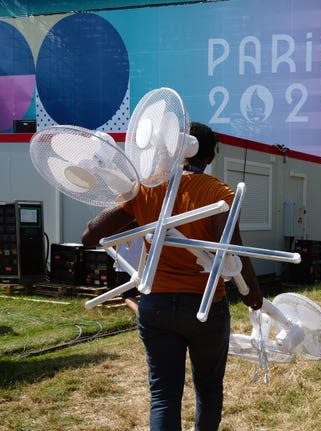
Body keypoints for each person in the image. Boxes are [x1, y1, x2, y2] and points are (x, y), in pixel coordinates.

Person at [82, 122, 263, 431]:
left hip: (157, 306)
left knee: (164, 394)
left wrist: (137, 206)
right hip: (204, 308)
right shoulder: (218, 193)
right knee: (208, 389)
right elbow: (229, 250)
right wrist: (252, 295)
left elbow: (90, 236)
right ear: (209, 155)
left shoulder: (147, 188)